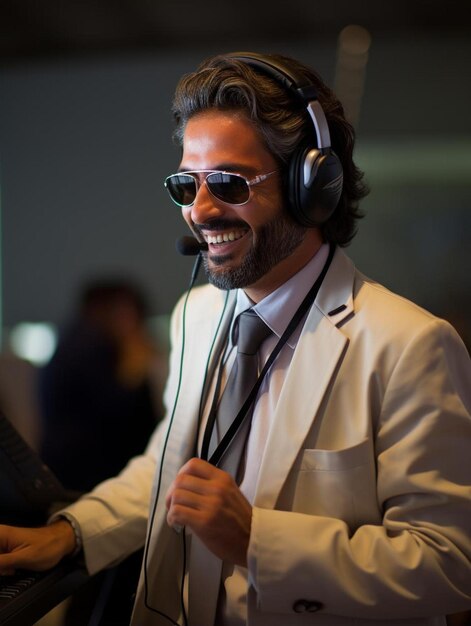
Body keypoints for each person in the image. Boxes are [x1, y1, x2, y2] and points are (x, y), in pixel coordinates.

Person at [0, 51, 470, 626]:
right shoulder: (195, 316)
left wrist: (255, 539)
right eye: (185, 184)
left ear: (311, 186)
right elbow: (171, 469)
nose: (199, 210)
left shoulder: (409, 345)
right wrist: (72, 534)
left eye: (227, 182)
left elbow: (448, 563)